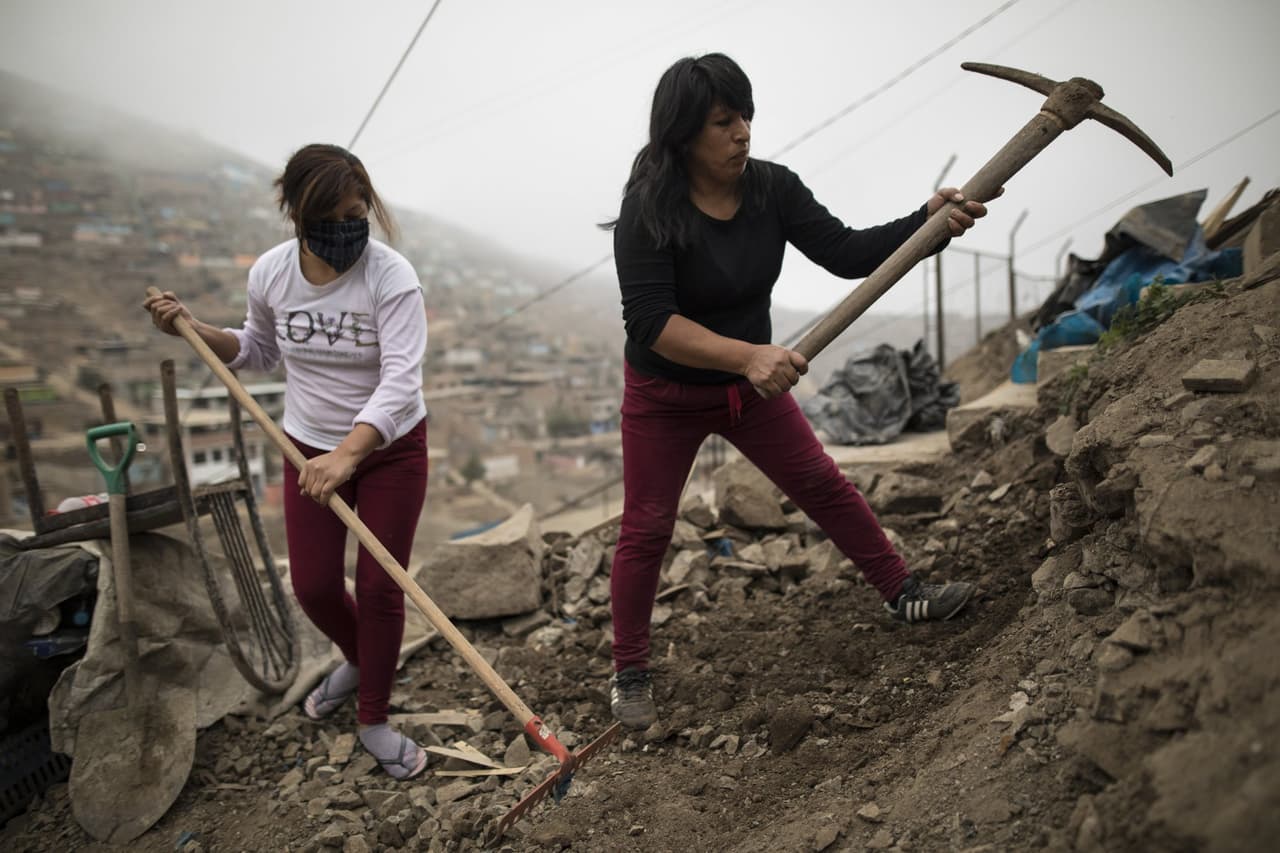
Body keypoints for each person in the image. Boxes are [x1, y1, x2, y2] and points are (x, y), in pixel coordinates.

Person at [601, 54, 993, 730]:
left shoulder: (772, 190)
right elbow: (652, 323)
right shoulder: (648, 209)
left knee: (820, 481)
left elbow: (846, 251)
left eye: (745, 117)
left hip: (751, 389)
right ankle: (630, 671)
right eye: (723, 122)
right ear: (685, 133)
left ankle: (903, 593)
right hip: (665, 396)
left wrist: (925, 226)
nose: (743, 133)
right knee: (647, 528)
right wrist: (751, 355)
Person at [144, 144, 431, 778]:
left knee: (382, 587)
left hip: (387, 451)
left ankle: (374, 718)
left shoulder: (391, 277)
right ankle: (361, 659)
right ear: (297, 215)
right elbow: (256, 349)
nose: (349, 225)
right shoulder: (272, 274)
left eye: (358, 211)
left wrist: (349, 454)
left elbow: (401, 380)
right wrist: (193, 327)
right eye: (333, 215)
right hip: (307, 447)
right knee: (315, 586)